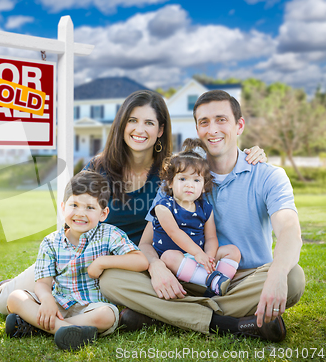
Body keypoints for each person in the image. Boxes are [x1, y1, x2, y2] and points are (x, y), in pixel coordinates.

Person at [0, 89, 266, 316]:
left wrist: (252, 152)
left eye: (149, 123)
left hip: (136, 265)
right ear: (122, 124)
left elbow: (214, 162)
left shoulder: (172, 173)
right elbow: (76, 217)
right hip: (87, 256)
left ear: (160, 130)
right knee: (4, 302)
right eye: (133, 121)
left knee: (103, 302)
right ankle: (13, 289)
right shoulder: (98, 168)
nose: (139, 129)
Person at [100, 90, 305, 343]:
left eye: (221, 119)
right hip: (183, 275)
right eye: (204, 122)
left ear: (239, 125)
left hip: (239, 280)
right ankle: (230, 323)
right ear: (197, 128)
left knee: (292, 277)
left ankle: (161, 313)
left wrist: (276, 274)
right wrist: (156, 267)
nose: (213, 129)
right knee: (110, 278)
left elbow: (289, 231)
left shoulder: (268, 175)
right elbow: (146, 242)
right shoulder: (181, 177)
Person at [5, 171, 149, 350]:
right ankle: (67, 330)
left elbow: (141, 261)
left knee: (108, 315)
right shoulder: (51, 242)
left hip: (91, 307)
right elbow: (43, 283)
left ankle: (38, 327)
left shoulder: (110, 234)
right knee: (15, 298)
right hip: (59, 303)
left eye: (90, 208)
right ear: (63, 207)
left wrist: (102, 262)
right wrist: (47, 300)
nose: (80, 213)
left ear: (103, 213)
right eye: (74, 205)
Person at [151, 138, 240, 297]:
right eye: (183, 178)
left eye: (196, 180)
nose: (189, 184)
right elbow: (175, 233)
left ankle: (217, 282)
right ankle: (211, 281)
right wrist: (198, 254)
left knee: (232, 251)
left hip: (198, 259)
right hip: (175, 262)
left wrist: (209, 258)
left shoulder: (205, 208)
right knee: (168, 256)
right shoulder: (164, 206)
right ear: (170, 182)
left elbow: (211, 237)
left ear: (204, 185)